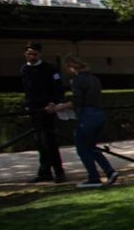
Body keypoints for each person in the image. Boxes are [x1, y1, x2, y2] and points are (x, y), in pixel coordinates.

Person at [49, 56, 118, 188]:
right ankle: (109, 171)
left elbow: (77, 100)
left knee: (82, 148)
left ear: (71, 66)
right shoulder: (94, 79)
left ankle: (94, 176)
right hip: (98, 114)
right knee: (91, 147)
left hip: (87, 116)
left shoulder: (77, 80)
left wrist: (59, 107)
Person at [20, 41, 67, 183]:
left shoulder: (49, 69)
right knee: (39, 141)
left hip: (47, 108)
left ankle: (59, 171)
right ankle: (44, 171)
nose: (31, 56)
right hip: (34, 109)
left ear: (39, 54)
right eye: (29, 54)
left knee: (49, 140)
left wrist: (53, 102)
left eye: (34, 54)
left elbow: (58, 88)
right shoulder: (24, 69)